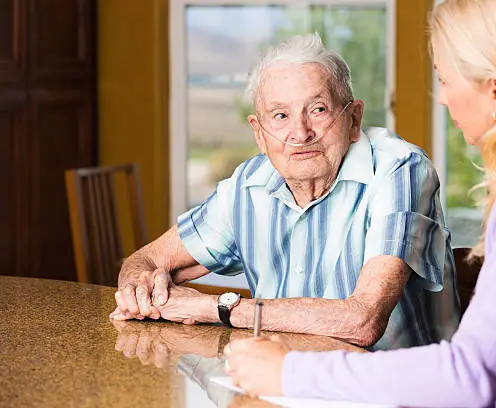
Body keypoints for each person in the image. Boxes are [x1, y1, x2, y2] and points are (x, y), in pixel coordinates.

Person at [222, 0, 496, 406]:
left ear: (494, 88)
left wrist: (288, 371)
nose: (441, 98)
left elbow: (473, 374)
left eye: (444, 78)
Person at [110, 33, 459, 350]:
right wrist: (140, 289)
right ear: (259, 134)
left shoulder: (400, 168)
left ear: (353, 119)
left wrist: (214, 308)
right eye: (280, 116)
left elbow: (362, 321)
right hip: (283, 385)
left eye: (318, 109)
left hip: (394, 394)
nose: (300, 133)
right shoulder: (248, 186)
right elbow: (147, 259)